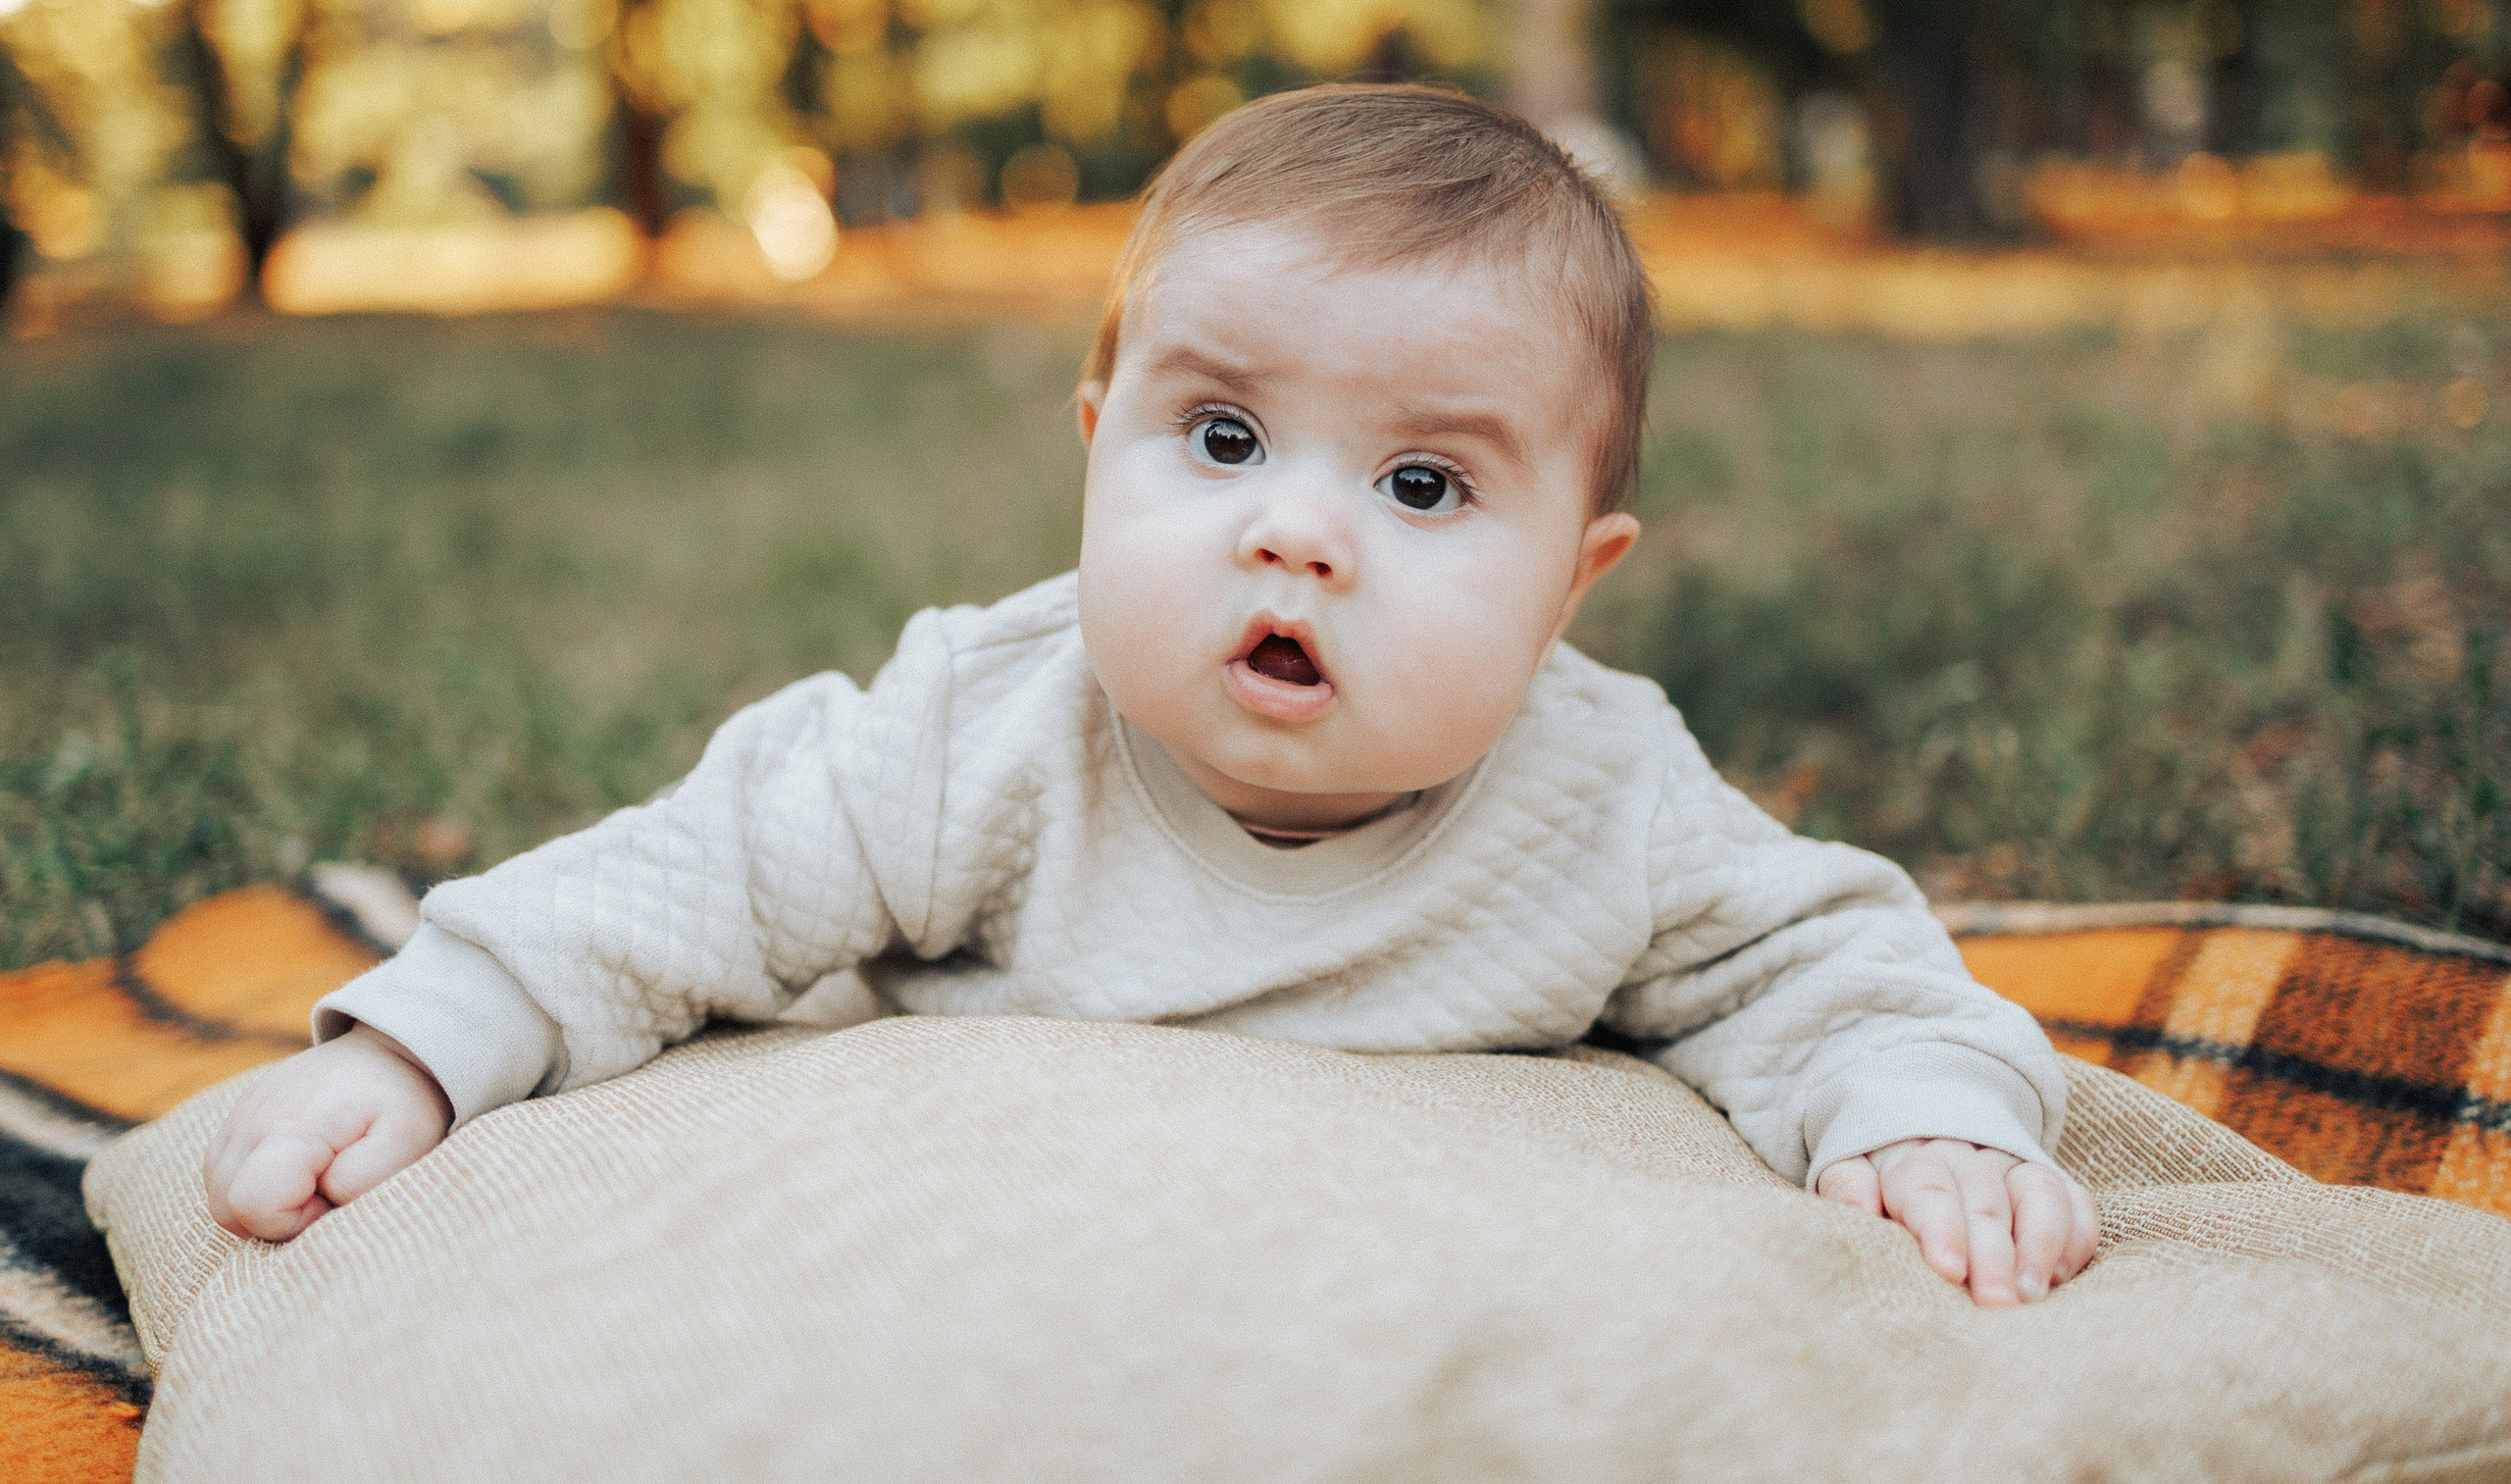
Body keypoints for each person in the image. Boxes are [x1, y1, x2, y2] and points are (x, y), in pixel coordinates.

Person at [205, 84, 2099, 1305]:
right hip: (987, 1256)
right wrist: (430, 1037)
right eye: (1220, 437)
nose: (1299, 535)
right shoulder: (983, 729)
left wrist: (1921, 1110)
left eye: (1423, 486)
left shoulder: (1606, 797)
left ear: (1567, 592)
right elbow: (694, 874)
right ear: (1096, 448)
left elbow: (1827, 961)